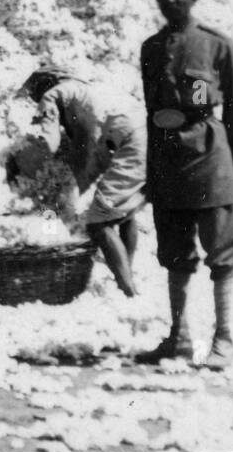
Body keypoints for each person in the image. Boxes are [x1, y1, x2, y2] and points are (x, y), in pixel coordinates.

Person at [136, 0, 233, 369]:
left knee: (222, 252)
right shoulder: (151, 48)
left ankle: (225, 340)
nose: (171, 0)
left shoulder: (217, 45)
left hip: (211, 160)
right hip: (167, 161)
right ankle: (178, 337)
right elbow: (150, 111)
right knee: (174, 253)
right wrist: (151, 173)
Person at [21, 66, 146, 297]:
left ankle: (128, 289)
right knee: (125, 212)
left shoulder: (53, 95)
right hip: (145, 135)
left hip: (127, 143)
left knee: (98, 222)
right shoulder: (87, 89)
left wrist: (33, 166)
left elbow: (50, 141)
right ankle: (125, 272)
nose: (34, 100)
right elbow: (95, 148)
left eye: (33, 95)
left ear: (43, 86)